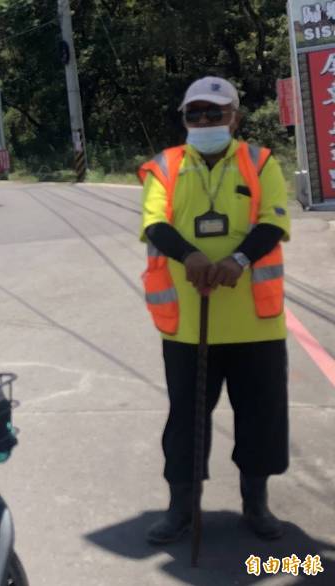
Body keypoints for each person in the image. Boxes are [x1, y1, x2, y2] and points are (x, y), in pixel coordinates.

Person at [138, 77, 290, 544]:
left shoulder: (260, 162)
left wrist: (238, 260)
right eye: (195, 114)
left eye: (214, 113)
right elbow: (154, 223)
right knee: (185, 420)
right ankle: (180, 507)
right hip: (188, 328)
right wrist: (193, 258)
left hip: (255, 325)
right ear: (185, 119)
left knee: (261, 417)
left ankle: (256, 505)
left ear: (235, 118)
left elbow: (274, 222)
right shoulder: (165, 166)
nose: (204, 122)